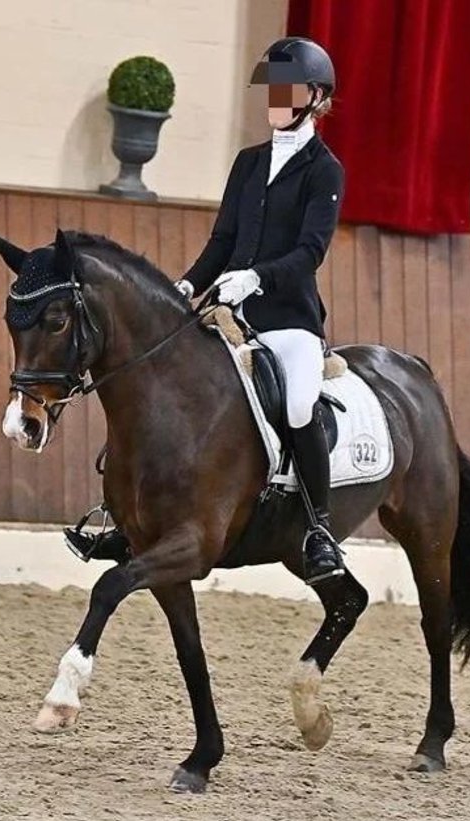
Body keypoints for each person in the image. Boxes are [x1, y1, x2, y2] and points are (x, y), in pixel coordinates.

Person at [66, 36, 346, 584]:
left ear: (314, 95)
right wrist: (187, 285)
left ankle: (320, 528)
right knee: (168, 389)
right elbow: (223, 240)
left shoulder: (324, 170)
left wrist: (256, 278)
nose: (273, 98)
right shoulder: (249, 163)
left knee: (297, 405)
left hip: (288, 320)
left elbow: (309, 252)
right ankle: (132, 519)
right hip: (229, 312)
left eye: (285, 89)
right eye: (271, 88)